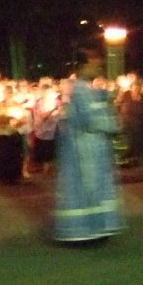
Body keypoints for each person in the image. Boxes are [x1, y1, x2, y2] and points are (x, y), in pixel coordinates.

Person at [53, 56, 124, 242]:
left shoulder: (82, 89)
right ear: (84, 67)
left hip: (83, 146)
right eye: (93, 64)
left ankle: (91, 229)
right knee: (89, 188)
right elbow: (90, 119)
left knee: (89, 188)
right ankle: (88, 230)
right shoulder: (81, 90)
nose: (98, 67)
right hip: (86, 147)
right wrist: (111, 124)